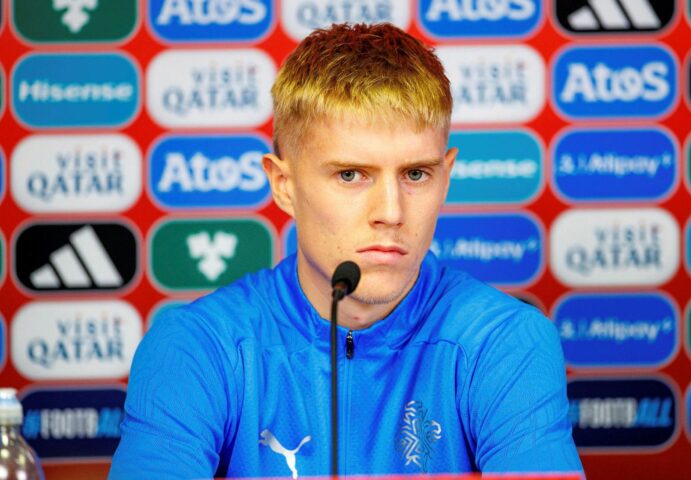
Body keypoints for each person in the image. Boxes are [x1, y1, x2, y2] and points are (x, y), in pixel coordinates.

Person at [109, 23, 584, 479]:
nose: (391, 213)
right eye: (351, 175)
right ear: (284, 185)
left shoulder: (505, 341)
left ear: (446, 177)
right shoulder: (196, 347)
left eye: (416, 174)